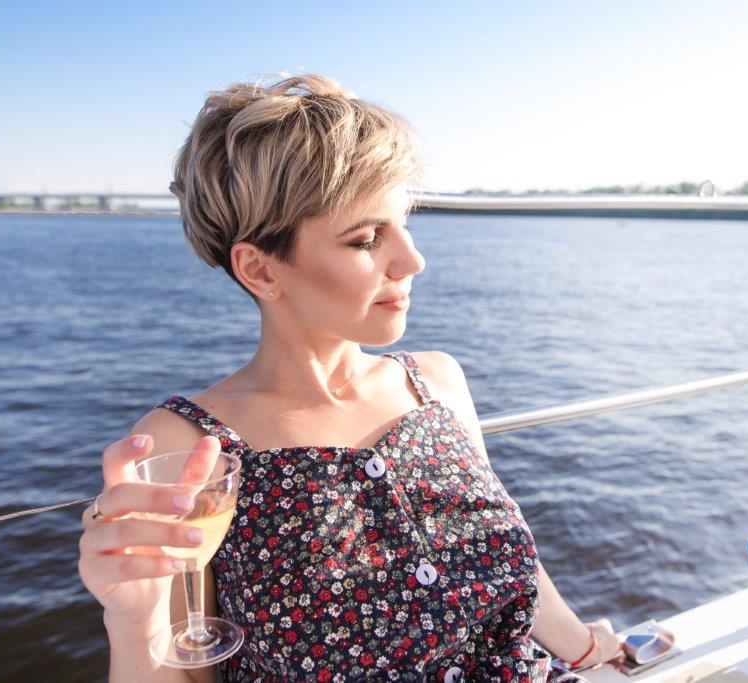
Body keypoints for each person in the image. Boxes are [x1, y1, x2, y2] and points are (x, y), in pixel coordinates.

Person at [77, 72, 624, 682]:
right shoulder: (188, 447)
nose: (413, 261)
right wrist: (134, 624)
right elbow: (184, 665)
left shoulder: (437, 384)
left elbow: (512, 564)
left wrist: (583, 646)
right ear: (259, 270)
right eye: (366, 239)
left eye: (406, 224)